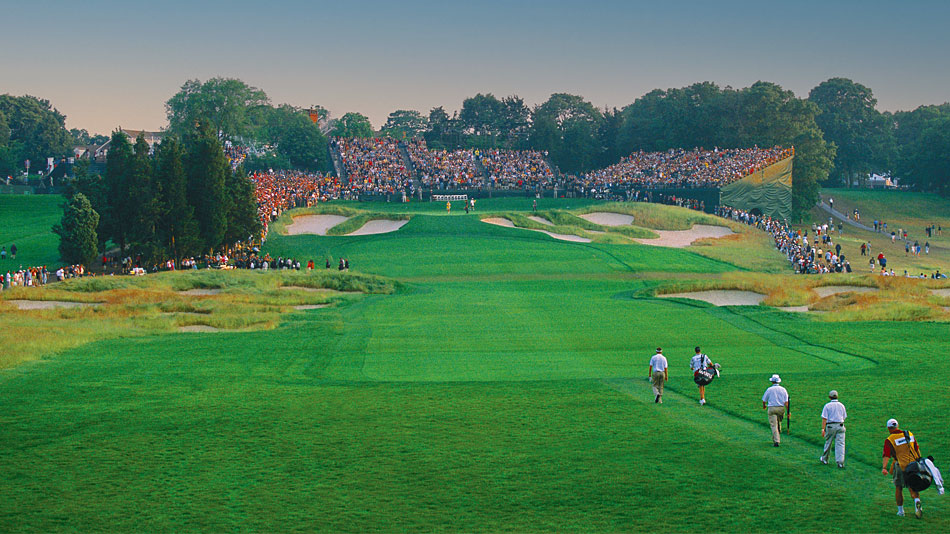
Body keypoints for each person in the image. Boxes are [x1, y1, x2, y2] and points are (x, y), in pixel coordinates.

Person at [882, 418, 925, 518]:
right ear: (897, 426)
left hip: (901, 465)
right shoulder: (909, 434)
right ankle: (917, 502)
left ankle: (901, 512)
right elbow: (916, 448)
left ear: (888, 428)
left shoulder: (890, 439)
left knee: (899, 487)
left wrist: (884, 467)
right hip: (914, 465)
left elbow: (886, 455)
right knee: (913, 486)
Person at [819, 390, 847, 468]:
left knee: (828, 443)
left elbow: (824, 418)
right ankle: (840, 462)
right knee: (840, 444)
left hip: (830, 426)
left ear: (829, 397)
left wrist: (823, 429)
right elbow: (844, 417)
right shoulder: (841, 405)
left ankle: (825, 459)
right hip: (840, 426)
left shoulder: (827, 406)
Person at [762, 374, 789, 447]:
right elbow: (786, 402)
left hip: (772, 408)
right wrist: (788, 411)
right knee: (778, 422)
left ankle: (776, 440)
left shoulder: (769, 389)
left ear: (772, 382)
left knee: (774, 425)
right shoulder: (783, 389)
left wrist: (764, 406)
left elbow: (764, 400)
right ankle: (777, 435)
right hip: (781, 408)